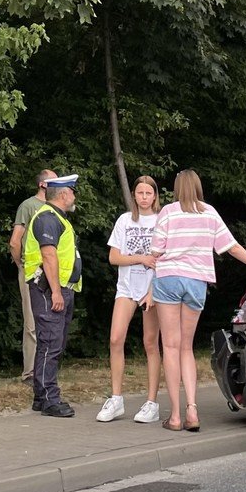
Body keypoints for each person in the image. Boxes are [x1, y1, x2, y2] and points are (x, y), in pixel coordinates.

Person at [147, 169, 246, 431]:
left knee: (170, 348)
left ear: (176, 188)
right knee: (186, 347)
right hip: (196, 282)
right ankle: (192, 411)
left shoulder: (168, 212)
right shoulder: (209, 213)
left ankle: (174, 416)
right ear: (197, 187)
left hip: (168, 280)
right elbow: (232, 247)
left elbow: (155, 251)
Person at [97, 176, 162, 423]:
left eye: (148, 193)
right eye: (140, 193)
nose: (144, 197)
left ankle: (152, 402)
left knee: (150, 343)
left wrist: (153, 291)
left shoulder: (161, 221)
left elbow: (163, 260)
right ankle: (116, 399)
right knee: (115, 338)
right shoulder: (125, 220)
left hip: (152, 290)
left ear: (155, 196)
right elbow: (114, 257)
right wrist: (140, 259)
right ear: (134, 195)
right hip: (126, 288)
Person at [23, 174, 82, 417]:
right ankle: (49, 399)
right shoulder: (48, 218)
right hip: (49, 289)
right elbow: (49, 256)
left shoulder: (57, 218)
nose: (74, 196)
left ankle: (41, 396)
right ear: (64, 194)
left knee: (51, 343)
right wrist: (56, 291)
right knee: (50, 343)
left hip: (58, 288)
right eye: (73, 192)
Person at [8, 169, 56, 384]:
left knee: (50, 320)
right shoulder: (28, 206)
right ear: (43, 184)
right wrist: (21, 264)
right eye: (54, 181)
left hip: (53, 269)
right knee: (32, 321)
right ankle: (29, 373)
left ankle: (45, 371)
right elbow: (14, 240)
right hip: (32, 269)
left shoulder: (55, 208)